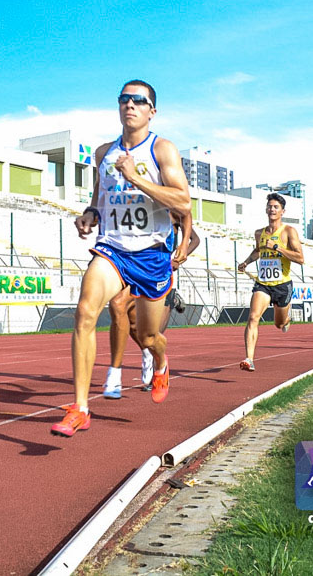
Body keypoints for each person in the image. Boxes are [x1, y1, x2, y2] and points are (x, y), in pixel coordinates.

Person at [51, 80, 190, 437]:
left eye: (138, 100)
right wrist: (89, 215)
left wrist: (136, 178)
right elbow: (99, 199)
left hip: (152, 254)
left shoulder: (162, 150)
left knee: (147, 337)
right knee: (85, 310)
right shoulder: (103, 153)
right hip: (113, 248)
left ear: (151, 111)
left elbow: (183, 203)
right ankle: (81, 407)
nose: (130, 104)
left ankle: (160, 360)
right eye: (124, 99)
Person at [103, 213, 200, 397]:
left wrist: (181, 254)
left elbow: (195, 239)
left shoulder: (173, 210)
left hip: (158, 275)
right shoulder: (138, 206)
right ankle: (139, 358)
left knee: (151, 333)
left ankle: (156, 361)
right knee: (124, 314)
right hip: (134, 269)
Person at [236, 193, 304, 371]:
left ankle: (287, 319)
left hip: (282, 285)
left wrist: (278, 248)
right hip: (263, 283)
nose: (272, 209)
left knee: (278, 324)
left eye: (276, 207)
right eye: (270, 206)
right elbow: (258, 251)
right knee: (252, 317)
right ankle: (249, 359)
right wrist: (246, 262)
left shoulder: (289, 231)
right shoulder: (259, 233)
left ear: (282, 211)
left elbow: (300, 258)